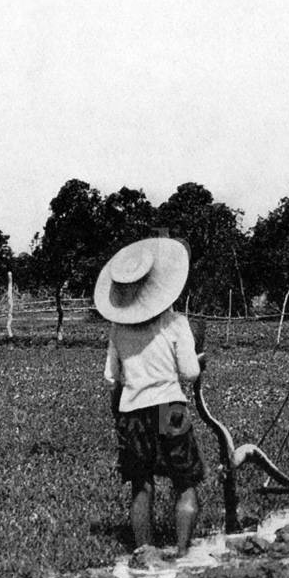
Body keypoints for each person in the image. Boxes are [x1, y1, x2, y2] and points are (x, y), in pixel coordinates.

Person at [95, 237, 205, 560]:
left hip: (132, 412)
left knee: (141, 485)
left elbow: (112, 377)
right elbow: (190, 372)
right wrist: (200, 361)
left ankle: (145, 553)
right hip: (169, 407)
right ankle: (183, 554)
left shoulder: (118, 330)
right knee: (185, 483)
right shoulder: (175, 324)